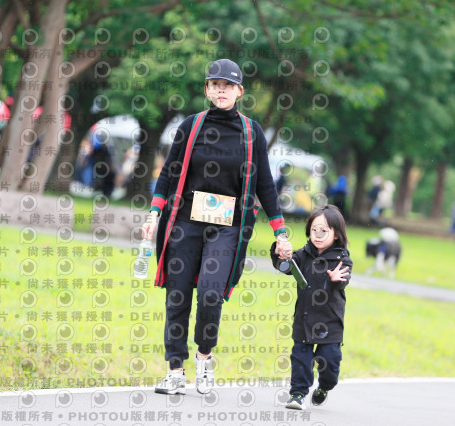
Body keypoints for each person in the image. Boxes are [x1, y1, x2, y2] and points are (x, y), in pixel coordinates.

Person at [141, 58, 291, 395]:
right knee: (177, 295)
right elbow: (168, 172)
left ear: (240, 92)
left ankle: (204, 357)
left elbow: (265, 185)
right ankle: (175, 370)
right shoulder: (191, 126)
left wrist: (280, 232)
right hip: (185, 221)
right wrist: (153, 214)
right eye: (215, 84)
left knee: (211, 294)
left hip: (227, 225)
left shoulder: (252, 132)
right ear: (207, 89)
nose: (221, 90)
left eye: (228, 85)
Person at [270, 205, 352, 410]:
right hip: (305, 318)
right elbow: (285, 267)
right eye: (314, 230)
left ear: (336, 234)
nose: (318, 235)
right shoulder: (303, 255)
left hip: (330, 322)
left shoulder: (342, 259)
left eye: (324, 231)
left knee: (330, 363)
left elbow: (343, 280)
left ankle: (324, 387)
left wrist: (336, 279)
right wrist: (279, 254)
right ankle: (297, 395)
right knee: (300, 358)